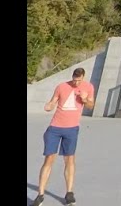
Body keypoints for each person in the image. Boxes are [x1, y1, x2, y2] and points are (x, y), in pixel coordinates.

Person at [31, 68, 95, 206]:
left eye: (78, 80)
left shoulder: (88, 87)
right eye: (74, 79)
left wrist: (84, 99)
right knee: (49, 159)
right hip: (55, 128)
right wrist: (49, 106)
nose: (76, 82)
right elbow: (52, 102)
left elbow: (90, 105)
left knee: (69, 159)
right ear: (72, 77)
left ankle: (69, 194)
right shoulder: (61, 86)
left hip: (72, 129)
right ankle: (40, 195)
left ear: (83, 77)